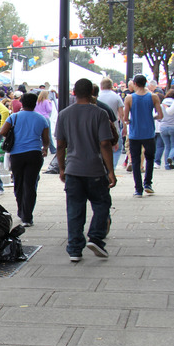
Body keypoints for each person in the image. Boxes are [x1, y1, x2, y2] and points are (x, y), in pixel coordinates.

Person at [55, 79, 116, 262]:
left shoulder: (64, 114)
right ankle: (96, 237)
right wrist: (111, 171)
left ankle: (74, 249)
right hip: (95, 169)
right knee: (102, 204)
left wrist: (62, 168)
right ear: (91, 92)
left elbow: (60, 145)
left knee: (74, 210)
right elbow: (105, 143)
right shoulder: (100, 114)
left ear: (74, 91)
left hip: (73, 169)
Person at [0, 93, 50, 227]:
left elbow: (2, 132)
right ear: (35, 104)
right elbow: (46, 140)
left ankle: (21, 210)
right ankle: (28, 216)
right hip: (34, 154)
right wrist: (44, 149)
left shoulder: (14, 117)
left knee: (19, 182)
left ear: (22, 103)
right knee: (31, 184)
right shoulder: (41, 119)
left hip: (17, 154)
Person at [123, 74, 163, 197]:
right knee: (150, 158)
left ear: (134, 84)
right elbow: (160, 115)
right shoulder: (153, 96)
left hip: (135, 133)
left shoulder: (129, 98)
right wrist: (151, 118)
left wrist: (129, 121)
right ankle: (148, 183)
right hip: (149, 132)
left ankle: (138, 189)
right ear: (145, 83)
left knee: (135, 160)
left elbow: (125, 118)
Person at [98, 78, 125, 167]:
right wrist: (124, 127)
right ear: (111, 86)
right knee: (117, 148)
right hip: (113, 125)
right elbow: (121, 114)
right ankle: (112, 166)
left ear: (101, 86)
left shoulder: (98, 96)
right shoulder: (116, 97)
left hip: (98, 126)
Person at [159, 90, 174, 170]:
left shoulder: (162, 104)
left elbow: (159, 115)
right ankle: (171, 157)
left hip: (163, 126)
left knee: (167, 146)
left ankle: (167, 166)